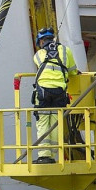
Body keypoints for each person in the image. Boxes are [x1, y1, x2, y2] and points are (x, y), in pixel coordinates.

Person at [31, 27, 79, 164]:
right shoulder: (66, 51)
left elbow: (41, 66)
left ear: (41, 41)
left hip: (43, 93)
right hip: (60, 92)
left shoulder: (38, 55)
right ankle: (54, 154)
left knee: (43, 123)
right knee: (56, 123)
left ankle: (45, 156)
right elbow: (72, 71)